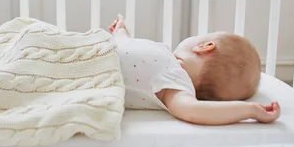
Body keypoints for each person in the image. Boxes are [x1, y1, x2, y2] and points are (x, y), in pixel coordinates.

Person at [109, 15, 281, 125]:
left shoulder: (175, 83)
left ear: (204, 47)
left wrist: (248, 110)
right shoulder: (166, 55)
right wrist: (121, 30)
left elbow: (193, 110)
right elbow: (127, 45)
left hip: (90, 75)